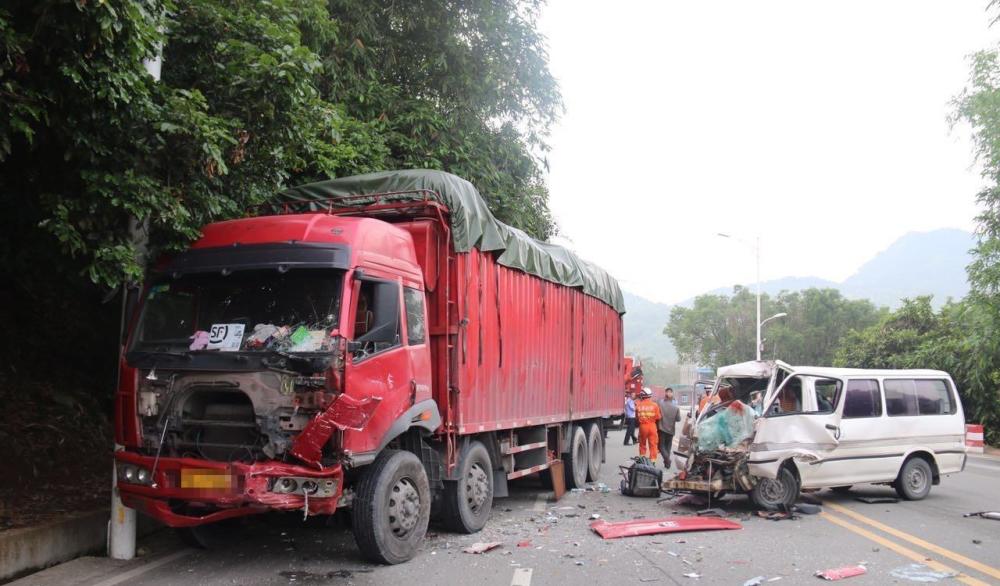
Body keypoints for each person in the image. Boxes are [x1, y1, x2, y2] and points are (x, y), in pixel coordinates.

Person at [656, 388, 681, 469]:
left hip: (662, 428)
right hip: (671, 430)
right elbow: (678, 419)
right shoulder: (676, 408)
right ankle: (667, 463)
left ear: (665, 396)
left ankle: (667, 460)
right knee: (668, 447)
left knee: (661, 446)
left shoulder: (660, 404)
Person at [635, 387, 662, 462]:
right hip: (652, 426)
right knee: (653, 445)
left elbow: (637, 417)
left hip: (642, 427)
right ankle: (652, 462)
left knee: (642, 444)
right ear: (650, 396)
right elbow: (658, 417)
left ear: (642, 396)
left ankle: (642, 460)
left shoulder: (638, 405)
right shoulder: (655, 405)